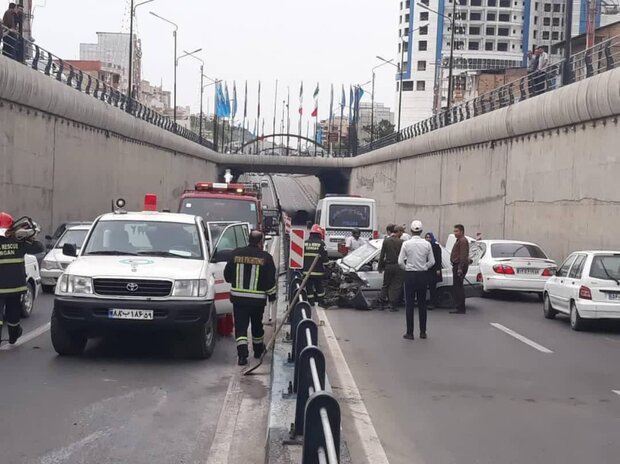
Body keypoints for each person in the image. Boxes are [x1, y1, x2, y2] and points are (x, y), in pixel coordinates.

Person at [224, 230, 277, 366]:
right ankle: (258, 351)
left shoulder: (235, 254)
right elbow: (270, 280)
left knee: (241, 328)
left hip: (239, 300)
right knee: (257, 326)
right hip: (257, 301)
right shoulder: (266, 258)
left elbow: (227, 275)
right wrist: (272, 295)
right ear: (261, 242)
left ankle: (242, 356)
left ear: (249, 239)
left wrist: (234, 281)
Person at [0, 213, 44, 344]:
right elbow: (39, 248)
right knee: (13, 313)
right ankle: (13, 336)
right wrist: (30, 236)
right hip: (15, 286)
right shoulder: (19, 241)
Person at [398, 220, 434, 340]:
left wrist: (407, 267)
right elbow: (432, 262)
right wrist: (424, 267)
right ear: (421, 231)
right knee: (422, 304)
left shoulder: (406, 244)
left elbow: (400, 261)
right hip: (422, 275)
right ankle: (423, 332)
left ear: (411, 231)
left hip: (410, 275)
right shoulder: (427, 244)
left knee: (409, 304)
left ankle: (410, 332)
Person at [377, 225, 404, 311]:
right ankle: (392, 305)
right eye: (401, 232)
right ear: (398, 232)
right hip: (398, 266)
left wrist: (380, 267)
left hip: (388, 266)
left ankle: (381, 302)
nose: (402, 234)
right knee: (396, 286)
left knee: (385, 285)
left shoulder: (386, 241)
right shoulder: (401, 242)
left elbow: (382, 255)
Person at [302, 224, 329, 306]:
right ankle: (320, 301)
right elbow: (325, 258)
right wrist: (327, 268)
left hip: (306, 271)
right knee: (319, 286)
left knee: (309, 286)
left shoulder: (305, 243)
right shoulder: (321, 244)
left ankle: (311, 302)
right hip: (318, 271)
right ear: (319, 234)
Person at [450, 224, 470, 314]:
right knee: (457, 286)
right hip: (456, 265)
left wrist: (460, 268)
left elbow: (463, 255)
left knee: (458, 287)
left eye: (456, 231)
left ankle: (460, 307)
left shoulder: (462, 241)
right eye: (454, 231)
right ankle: (458, 306)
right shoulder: (459, 240)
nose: (455, 233)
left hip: (459, 266)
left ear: (461, 231)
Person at [425, 232, 443, 308]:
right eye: (426, 237)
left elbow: (438, 258)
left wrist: (438, 269)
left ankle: (433, 303)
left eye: (429, 237)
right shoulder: (424, 246)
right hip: (425, 269)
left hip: (433, 270)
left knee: (432, 287)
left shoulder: (436, 246)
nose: (428, 239)